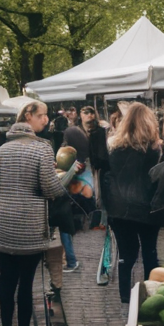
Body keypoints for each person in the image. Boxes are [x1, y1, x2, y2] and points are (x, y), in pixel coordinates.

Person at [0, 101, 78, 326]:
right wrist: (65, 179)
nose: (46, 120)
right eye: (42, 115)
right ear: (28, 116)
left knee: (7, 281)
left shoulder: (2, 149)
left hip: (3, 225)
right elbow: (51, 189)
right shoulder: (43, 149)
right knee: (26, 284)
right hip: (30, 227)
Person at [104, 103, 164, 303]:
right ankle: (149, 292)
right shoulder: (155, 150)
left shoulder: (113, 148)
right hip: (147, 208)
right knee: (150, 251)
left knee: (126, 253)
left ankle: (124, 294)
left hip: (119, 209)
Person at [60, 110, 92, 271]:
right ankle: (69, 259)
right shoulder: (80, 155)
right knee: (65, 228)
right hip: (72, 195)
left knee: (63, 228)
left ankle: (70, 260)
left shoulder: (68, 155)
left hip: (65, 194)